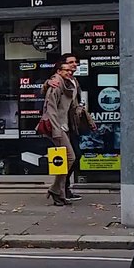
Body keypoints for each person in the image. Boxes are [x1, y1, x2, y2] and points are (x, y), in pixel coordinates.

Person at [42, 56, 94, 205]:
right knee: (69, 158)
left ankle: (59, 192)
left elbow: (75, 105)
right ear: (59, 69)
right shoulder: (56, 83)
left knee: (70, 158)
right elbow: (50, 108)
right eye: (68, 66)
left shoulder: (72, 82)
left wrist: (87, 120)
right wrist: (56, 129)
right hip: (57, 126)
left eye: (74, 65)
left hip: (68, 125)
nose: (72, 68)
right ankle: (56, 189)